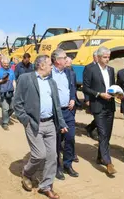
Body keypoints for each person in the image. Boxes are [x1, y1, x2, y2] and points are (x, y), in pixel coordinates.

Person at [14, 54, 68, 199]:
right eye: (50, 64)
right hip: (33, 123)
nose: (52, 66)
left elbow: (56, 106)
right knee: (39, 155)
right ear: (42, 65)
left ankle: (46, 186)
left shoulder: (52, 82)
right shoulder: (26, 79)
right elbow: (17, 103)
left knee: (52, 156)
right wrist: (26, 120)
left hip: (50, 123)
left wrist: (61, 123)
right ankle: (27, 173)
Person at [83, 46, 117, 176]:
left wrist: (116, 94)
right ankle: (108, 162)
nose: (107, 59)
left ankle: (99, 157)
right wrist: (98, 94)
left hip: (110, 106)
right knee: (102, 134)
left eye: (108, 57)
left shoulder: (111, 70)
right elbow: (86, 88)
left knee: (107, 134)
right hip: (98, 106)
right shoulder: (90, 69)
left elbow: (112, 87)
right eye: (105, 57)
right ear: (99, 57)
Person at [50, 49, 78, 180]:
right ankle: (57, 167)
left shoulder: (69, 72)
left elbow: (72, 87)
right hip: (55, 112)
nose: (66, 59)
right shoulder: (49, 73)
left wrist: (72, 98)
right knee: (56, 141)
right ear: (57, 61)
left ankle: (68, 164)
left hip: (68, 111)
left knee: (70, 138)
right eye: (64, 57)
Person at [0, 57, 16, 130]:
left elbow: (13, 81)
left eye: (7, 63)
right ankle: (5, 123)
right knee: (5, 108)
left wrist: (15, 89)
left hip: (11, 91)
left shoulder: (11, 71)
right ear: (1, 63)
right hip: (2, 92)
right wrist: (2, 80)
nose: (6, 65)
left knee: (12, 107)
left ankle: (5, 117)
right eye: (5, 63)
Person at [84, 51, 98, 139]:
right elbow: (86, 85)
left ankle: (90, 127)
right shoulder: (88, 68)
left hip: (102, 96)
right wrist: (87, 99)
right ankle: (91, 128)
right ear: (94, 57)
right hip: (93, 96)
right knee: (98, 117)